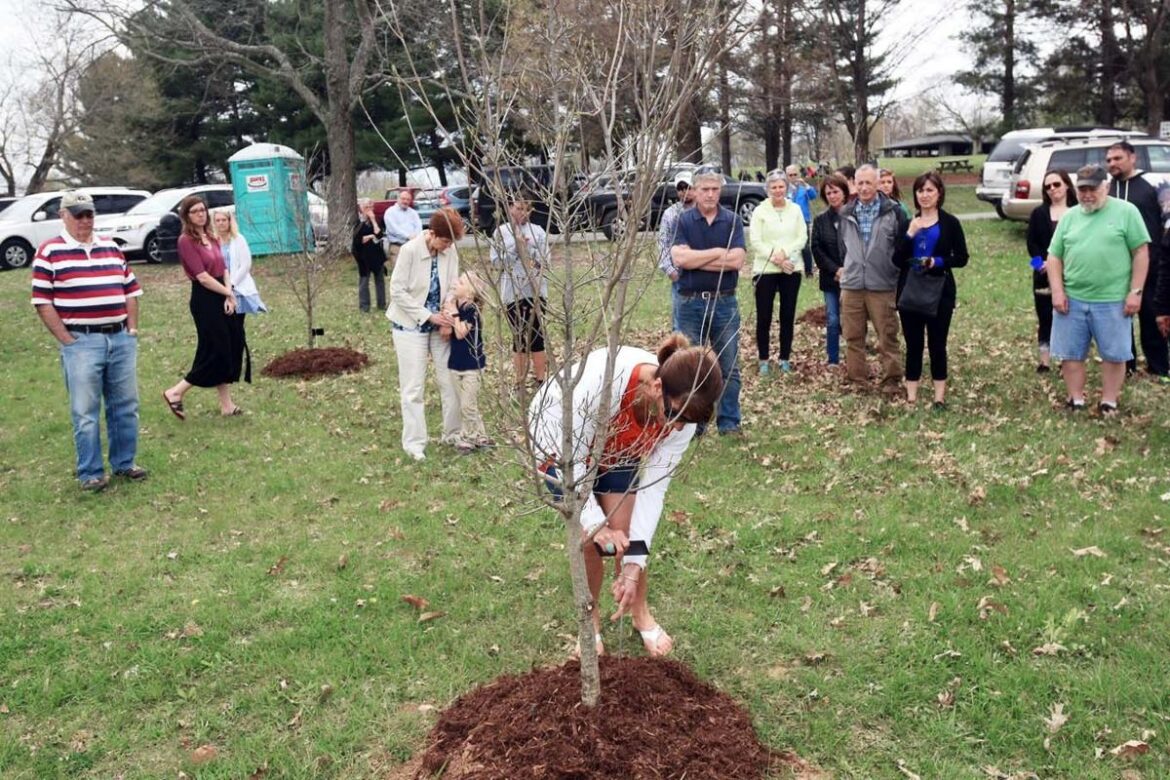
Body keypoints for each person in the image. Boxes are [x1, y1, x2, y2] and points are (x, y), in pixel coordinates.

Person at [529, 333, 723, 657]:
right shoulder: (599, 385)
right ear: (657, 387)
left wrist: (634, 563)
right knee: (591, 538)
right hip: (559, 444)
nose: (676, 428)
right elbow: (568, 463)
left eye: (686, 422)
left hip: (620, 446)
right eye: (673, 416)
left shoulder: (683, 414)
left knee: (627, 531)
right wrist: (594, 522)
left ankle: (639, 611)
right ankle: (589, 623)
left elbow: (654, 488)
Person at [31, 190, 147, 491]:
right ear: (63, 216)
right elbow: (42, 301)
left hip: (119, 338)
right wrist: (68, 340)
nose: (85, 221)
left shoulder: (110, 247)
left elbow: (130, 291)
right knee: (85, 412)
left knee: (125, 406)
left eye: (89, 214)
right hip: (81, 342)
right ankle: (91, 473)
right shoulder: (49, 252)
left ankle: (124, 464)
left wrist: (131, 330)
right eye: (78, 215)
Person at [1047, 164, 1150, 415]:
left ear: (1105, 186)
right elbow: (1054, 257)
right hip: (1073, 298)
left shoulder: (1127, 212)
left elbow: (1140, 253)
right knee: (1071, 354)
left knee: (1114, 354)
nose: (1087, 195)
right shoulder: (1070, 216)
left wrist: (1135, 292)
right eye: (1082, 190)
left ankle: (1109, 401)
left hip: (1113, 299)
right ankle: (1076, 399)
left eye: (1092, 188)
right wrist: (1058, 292)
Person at [670, 168, 746, 435]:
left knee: (728, 366)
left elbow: (736, 261)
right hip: (689, 304)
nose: (710, 194)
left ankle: (729, 422)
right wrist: (716, 253)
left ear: (720, 190)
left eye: (715, 189)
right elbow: (680, 259)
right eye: (705, 189)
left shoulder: (733, 221)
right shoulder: (683, 221)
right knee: (691, 368)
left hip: (724, 303)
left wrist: (697, 258)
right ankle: (694, 425)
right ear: (695, 190)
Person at [387, 207, 464, 460]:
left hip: (439, 324)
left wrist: (446, 318)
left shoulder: (450, 252)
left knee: (450, 381)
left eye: (451, 242)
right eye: (444, 240)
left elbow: (453, 287)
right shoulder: (410, 251)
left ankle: (453, 434)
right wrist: (427, 316)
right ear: (432, 234)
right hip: (409, 325)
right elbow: (397, 292)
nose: (447, 246)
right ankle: (414, 444)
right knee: (413, 387)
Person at [163, 195, 245, 419]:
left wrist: (229, 295)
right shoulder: (185, 241)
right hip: (205, 299)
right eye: (195, 211)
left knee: (227, 347)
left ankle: (226, 405)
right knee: (215, 350)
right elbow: (203, 277)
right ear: (186, 216)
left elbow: (223, 268)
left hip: (222, 294)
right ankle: (175, 391)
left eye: (202, 210)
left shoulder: (212, 237)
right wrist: (228, 293)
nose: (200, 214)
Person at [894, 172, 969, 409]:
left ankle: (938, 397)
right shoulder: (909, 223)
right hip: (911, 291)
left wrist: (937, 262)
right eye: (920, 191)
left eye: (929, 190)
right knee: (913, 345)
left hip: (940, 292)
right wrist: (910, 234)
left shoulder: (950, 223)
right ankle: (912, 396)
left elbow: (962, 258)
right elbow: (897, 259)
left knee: (937, 344)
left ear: (939, 194)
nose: (924, 195)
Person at [837, 164, 911, 388]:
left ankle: (891, 379)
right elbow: (843, 247)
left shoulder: (894, 212)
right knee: (853, 336)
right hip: (852, 285)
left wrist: (894, 275)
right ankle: (858, 379)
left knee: (887, 336)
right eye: (859, 183)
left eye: (868, 182)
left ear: (878, 184)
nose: (864, 187)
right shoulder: (846, 212)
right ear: (854, 184)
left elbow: (902, 249)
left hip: (882, 284)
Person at [1105, 140, 1169, 381]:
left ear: (1133, 158)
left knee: (1152, 316)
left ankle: (1159, 366)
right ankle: (1127, 366)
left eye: (1117, 158)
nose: (1112, 163)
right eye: (1109, 160)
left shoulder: (1154, 184)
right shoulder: (1106, 188)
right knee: (1120, 317)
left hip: (1152, 263)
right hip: (1116, 266)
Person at [750, 170, 807, 375]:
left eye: (781, 186)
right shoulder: (760, 211)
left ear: (786, 187)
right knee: (764, 315)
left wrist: (786, 256)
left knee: (787, 315)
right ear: (768, 189)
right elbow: (755, 240)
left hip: (791, 267)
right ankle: (764, 359)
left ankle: (785, 358)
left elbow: (802, 237)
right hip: (765, 269)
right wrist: (775, 257)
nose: (777, 190)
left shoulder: (796, 210)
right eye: (773, 187)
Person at [491, 196, 551, 389]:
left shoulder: (538, 232)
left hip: (535, 292)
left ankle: (541, 379)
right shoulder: (500, 233)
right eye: (518, 208)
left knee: (537, 336)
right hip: (512, 293)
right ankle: (520, 381)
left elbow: (545, 263)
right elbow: (496, 263)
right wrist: (515, 248)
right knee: (519, 337)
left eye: (526, 209)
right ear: (510, 208)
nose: (521, 213)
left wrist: (529, 250)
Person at [1025, 169, 1076, 373]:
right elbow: (1031, 245)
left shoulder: (1077, 211)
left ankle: (1067, 360)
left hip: (1072, 273)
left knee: (1069, 318)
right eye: (1048, 186)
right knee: (1045, 317)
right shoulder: (1039, 213)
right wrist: (1041, 265)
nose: (1052, 189)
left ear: (1066, 185)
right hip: (1043, 275)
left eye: (1056, 184)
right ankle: (1045, 361)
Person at [212, 209, 265, 385]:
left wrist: (231, 285)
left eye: (223, 220)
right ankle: (225, 363)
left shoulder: (238, 240)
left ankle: (237, 364)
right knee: (223, 329)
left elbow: (245, 264)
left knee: (236, 327)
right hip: (218, 289)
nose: (220, 224)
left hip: (237, 289)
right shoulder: (212, 242)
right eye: (217, 221)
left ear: (229, 221)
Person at [444, 271, 492, 454]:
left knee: (467, 405)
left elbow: (460, 332)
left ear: (470, 291)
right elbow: (448, 330)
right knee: (467, 404)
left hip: (473, 365)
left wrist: (454, 314)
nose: (455, 282)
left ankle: (467, 439)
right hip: (455, 363)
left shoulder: (472, 310)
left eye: (461, 281)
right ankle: (481, 436)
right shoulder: (453, 305)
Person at [811, 173, 851, 366]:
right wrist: (836, 270)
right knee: (833, 319)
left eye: (836, 192)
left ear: (844, 192)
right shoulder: (820, 221)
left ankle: (854, 357)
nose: (833, 196)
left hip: (854, 278)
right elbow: (816, 249)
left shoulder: (854, 216)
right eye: (829, 193)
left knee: (853, 320)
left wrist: (849, 269)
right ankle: (833, 359)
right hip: (831, 278)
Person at [657, 172, 696, 332]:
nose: (684, 192)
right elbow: (663, 242)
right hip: (680, 276)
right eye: (680, 188)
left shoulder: (704, 211)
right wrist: (670, 270)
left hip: (703, 275)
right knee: (679, 321)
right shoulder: (670, 214)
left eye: (687, 187)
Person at [352, 198, 388, 313]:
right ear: (361, 209)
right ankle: (364, 307)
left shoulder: (377, 220)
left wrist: (373, 220)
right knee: (364, 281)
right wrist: (370, 237)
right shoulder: (357, 222)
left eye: (370, 207)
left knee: (380, 280)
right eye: (365, 207)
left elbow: (380, 234)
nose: (368, 210)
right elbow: (358, 240)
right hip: (363, 257)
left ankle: (381, 305)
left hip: (376, 255)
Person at [785, 165, 817, 277]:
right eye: (790, 175)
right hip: (788, 221)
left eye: (795, 174)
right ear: (786, 176)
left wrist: (806, 185)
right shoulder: (784, 189)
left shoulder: (803, 188)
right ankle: (791, 269)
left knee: (805, 246)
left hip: (804, 220)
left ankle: (809, 271)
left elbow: (813, 196)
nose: (793, 177)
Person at [383, 188, 422, 266]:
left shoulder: (413, 213)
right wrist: (408, 236)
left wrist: (416, 236)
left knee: (413, 272)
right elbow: (393, 229)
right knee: (399, 274)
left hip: (412, 246)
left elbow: (419, 226)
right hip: (397, 247)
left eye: (408, 199)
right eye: (403, 199)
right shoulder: (390, 212)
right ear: (398, 199)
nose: (405, 201)